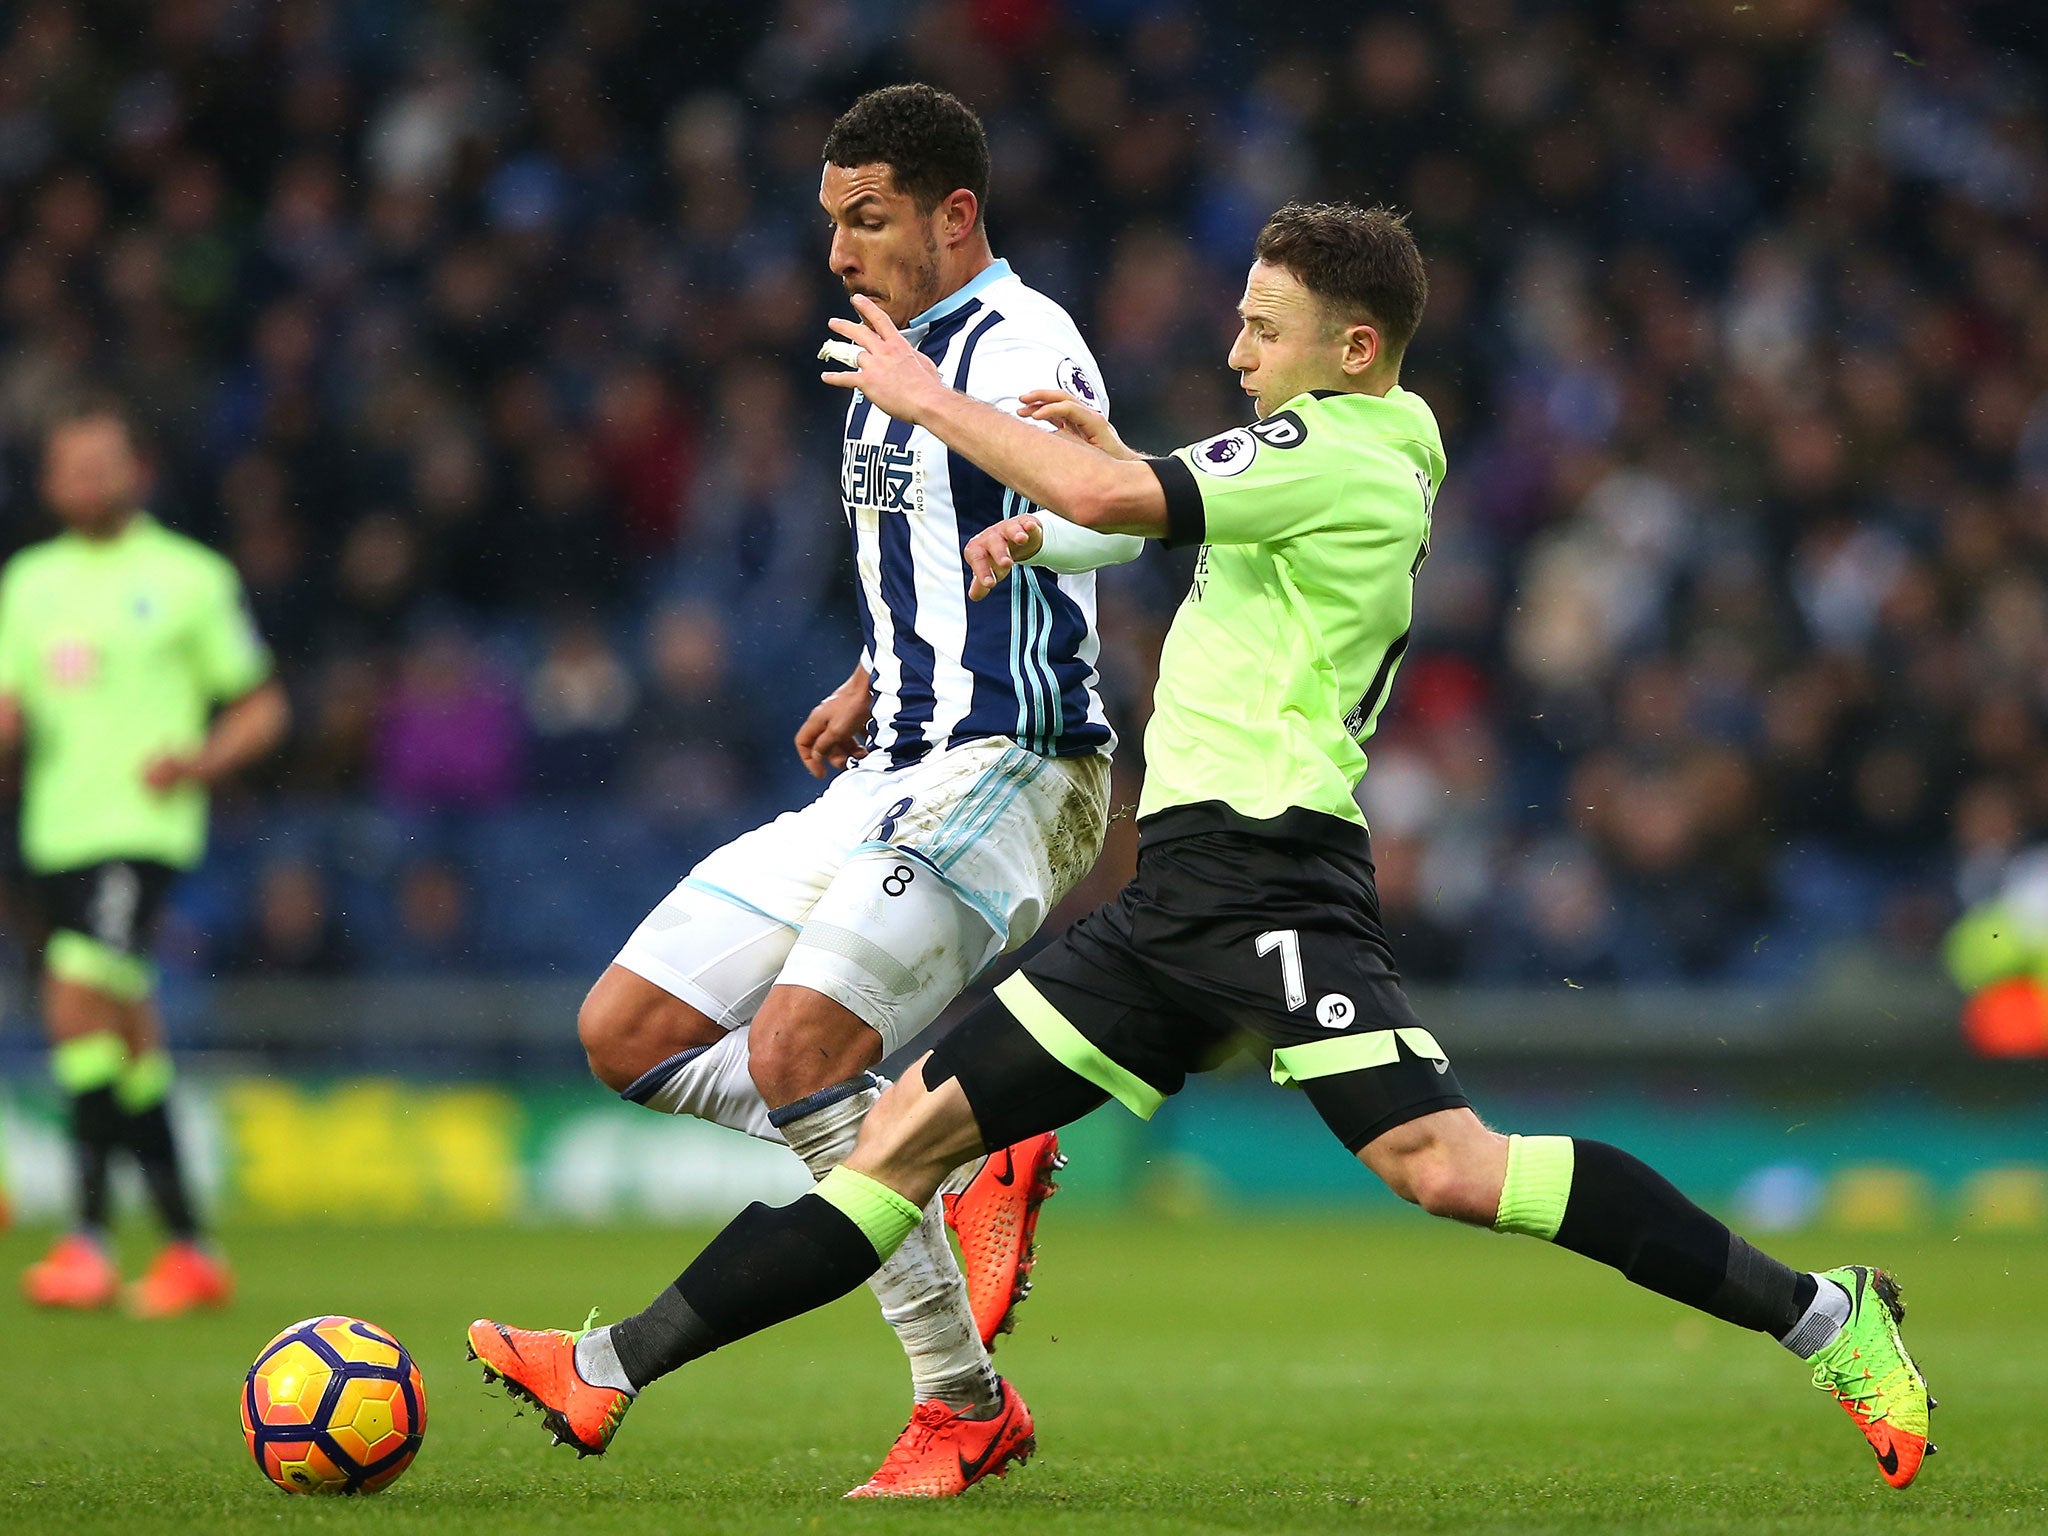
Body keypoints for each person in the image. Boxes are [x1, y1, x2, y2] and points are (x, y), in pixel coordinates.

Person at [469, 202, 1936, 1493]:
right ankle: (607, 1370)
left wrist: (935, 401)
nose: (1237, 351)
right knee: (896, 1141)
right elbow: (1151, 508)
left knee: (1447, 1169)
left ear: (1353, 348)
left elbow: (1130, 498)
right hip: (1179, 892)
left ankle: (1829, 1317)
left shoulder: (1345, 454)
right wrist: (1052, 527)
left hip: (1279, 881)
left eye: (1263, 327)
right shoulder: (1335, 449)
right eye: (1237, 320)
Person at [507, 84, 1144, 1497]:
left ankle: (953, 1394)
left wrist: (1041, 529)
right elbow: (923, 543)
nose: (841, 251)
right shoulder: (884, 350)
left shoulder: (1023, 340)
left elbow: (1116, 514)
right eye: (832, 222)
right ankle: (940, 1145)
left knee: (801, 1059)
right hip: (893, 760)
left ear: (953, 213)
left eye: (870, 220)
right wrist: (877, 664)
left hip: (1019, 765)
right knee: (624, 1033)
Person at [4, 397, 288, 1315]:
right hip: (54, 833)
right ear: (49, 483)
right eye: (70, 467)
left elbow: (261, 705)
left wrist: (199, 762)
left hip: (141, 831)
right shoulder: (29, 583)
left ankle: (85, 1239)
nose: (86, 480)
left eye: (103, 463)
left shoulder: (189, 578)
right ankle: (187, 1247)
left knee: (76, 992)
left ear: (138, 473)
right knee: (123, 1031)